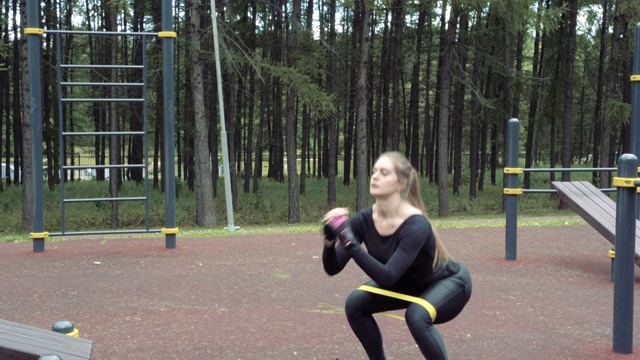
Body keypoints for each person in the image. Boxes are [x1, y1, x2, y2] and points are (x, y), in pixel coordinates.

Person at [321, 151, 472, 360]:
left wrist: (349, 241)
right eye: (374, 171)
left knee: (417, 316)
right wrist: (330, 241)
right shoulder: (365, 219)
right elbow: (333, 267)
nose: (375, 176)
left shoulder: (415, 223)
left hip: (449, 284)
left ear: (401, 183)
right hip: (407, 285)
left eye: (384, 173)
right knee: (355, 304)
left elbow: (387, 276)